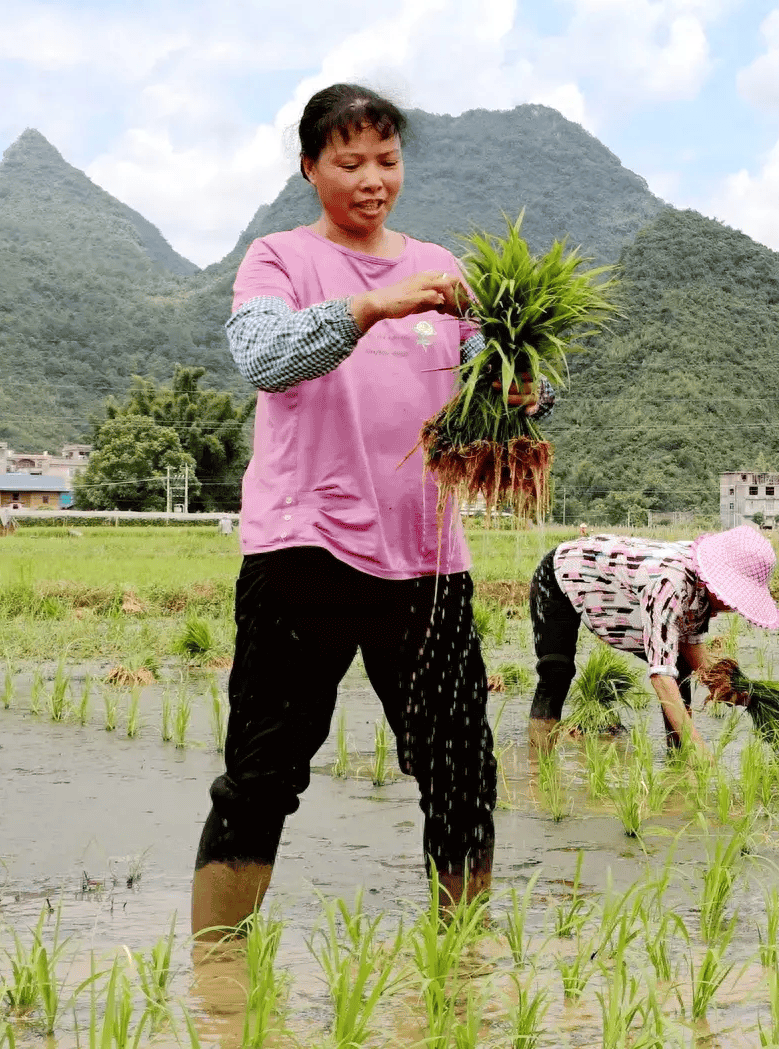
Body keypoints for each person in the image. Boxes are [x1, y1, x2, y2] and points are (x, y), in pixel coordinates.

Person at [193, 84, 544, 950]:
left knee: (462, 770)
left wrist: (521, 392)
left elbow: (499, 392)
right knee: (263, 774)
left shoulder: (444, 270)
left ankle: (459, 970)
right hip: (303, 552)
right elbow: (266, 358)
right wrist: (375, 303)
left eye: (387, 160)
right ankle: (214, 983)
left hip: (426, 561)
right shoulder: (276, 259)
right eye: (350, 162)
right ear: (311, 167)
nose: (372, 178)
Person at [525, 524, 779, 756]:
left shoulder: (702, 586)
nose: (732, 607)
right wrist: (703, 755)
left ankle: (678, 759)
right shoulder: (670, 583)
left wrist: (748, 698)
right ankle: (539, 767)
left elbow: (696, 657)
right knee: (556, 671)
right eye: (733, 599)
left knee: (680, 667)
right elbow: (660, 677)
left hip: (621, 587)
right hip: (562, 575)